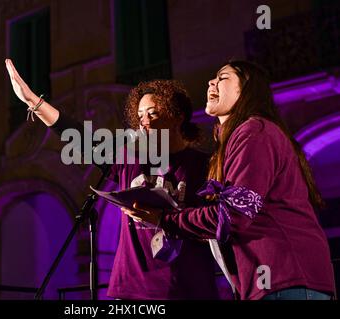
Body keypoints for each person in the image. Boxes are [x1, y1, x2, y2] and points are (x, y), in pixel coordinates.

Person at [5, 58, 220, 299]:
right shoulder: (129, 159)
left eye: (153, 113)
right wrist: (34, 101)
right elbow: (80, 138)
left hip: (187, 289)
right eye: (139, 115)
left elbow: (219, 224)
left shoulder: (205, 165)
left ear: (178, 116)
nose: (144, 121)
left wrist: (167, 218)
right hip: (131, 289)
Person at [122, 60, 336, 300]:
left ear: (245, 91)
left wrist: (165, 219)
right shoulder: (242, 137)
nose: (211, 82)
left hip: (285, 281)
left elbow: (235, 214)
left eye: (223, 78)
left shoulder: (254, 132)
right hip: (276, 282)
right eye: (213, 77)